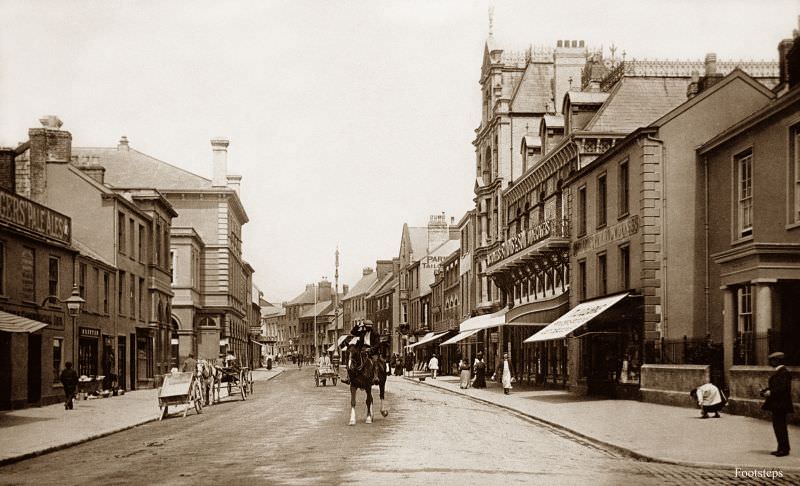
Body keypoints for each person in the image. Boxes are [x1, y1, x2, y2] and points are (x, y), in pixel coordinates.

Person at [761, 351, 793, 457]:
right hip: (779, 404)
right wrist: (765, 391)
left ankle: (783, 449)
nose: (770, 362)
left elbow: (782, 389)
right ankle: (782, 448)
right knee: (779, 427)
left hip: (780, 405)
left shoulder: (783, 373)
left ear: (777, 361)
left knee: (780, 427)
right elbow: (776, 387)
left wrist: (770, 392)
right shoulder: (781, 372)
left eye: (772, 360)